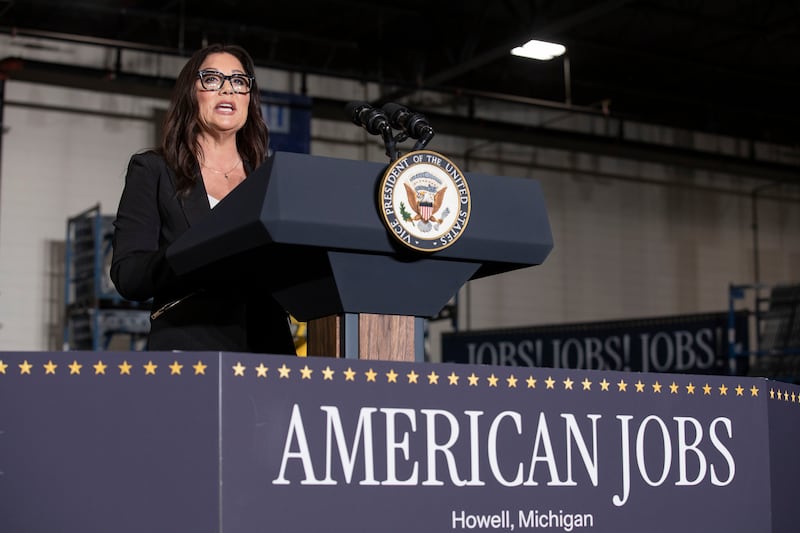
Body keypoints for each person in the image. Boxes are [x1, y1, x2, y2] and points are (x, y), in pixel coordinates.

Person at [110, 43, 296, 355]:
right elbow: (128, 275)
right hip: (189, 352)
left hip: (268, 355)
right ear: (190, 93)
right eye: (212, 79)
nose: (228, 90)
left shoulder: (272, 182)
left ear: (250, 98)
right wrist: (194, 250)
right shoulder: (153, 170)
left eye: (239, 81)